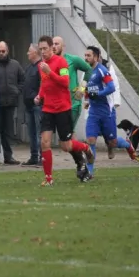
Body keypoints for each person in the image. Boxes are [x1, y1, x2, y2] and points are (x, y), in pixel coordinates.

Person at [34, 36, 94, 186]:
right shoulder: (41, 65)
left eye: (45, 49)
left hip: (62, 109)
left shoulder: (61, 62)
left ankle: (85, 148)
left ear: (51, 48)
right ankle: (48, 178)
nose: (43, 52)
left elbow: (65, 82)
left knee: (66, 146)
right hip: (48, 108)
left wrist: (50, 72)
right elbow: (44, 83)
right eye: (40, 49)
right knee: (44, 142)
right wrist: (39, 96)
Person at [0, 41, 23, 165]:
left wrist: (17, 91)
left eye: (3, 51)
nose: (1, 54)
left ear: (7, 51)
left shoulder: (15, 65)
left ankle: (8, 156)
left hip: (11, 103)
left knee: (8, 132)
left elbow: (22, 80)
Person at [84, 46, 117, 178]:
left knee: (112, 141)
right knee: (91, 140)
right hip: (93, 112)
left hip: (106, 112)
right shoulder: (86, 72)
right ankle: (90, 172)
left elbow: (111, 87)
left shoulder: (102, 70)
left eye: (89, 56)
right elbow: (88, 90)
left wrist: (98, 94)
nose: (86, 58)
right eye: (85, 55)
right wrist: (85, 97)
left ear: (96, 57)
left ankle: (113, 145)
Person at [52, 36, 92, 133]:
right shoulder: (50, 62)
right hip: (57, 104)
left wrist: (82, 88)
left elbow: (89, 70)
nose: (53, 46)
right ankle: (82, 148)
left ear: (63, 46)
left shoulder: (72, 59)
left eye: (56, 44)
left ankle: (85, 147)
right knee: (67, 135)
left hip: (72, 103)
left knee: (67, 133)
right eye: (52, 44)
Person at [22, 43, 42, 166]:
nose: (27, 53)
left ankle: (42, 157)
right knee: (32, 133)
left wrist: (38, 97)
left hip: (38, 105)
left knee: (39, 132)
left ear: (35, 52)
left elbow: (43, 84)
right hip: (28, 104)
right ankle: (34, 156)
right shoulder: (29, 67)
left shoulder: (41, 67)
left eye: (29, 51)